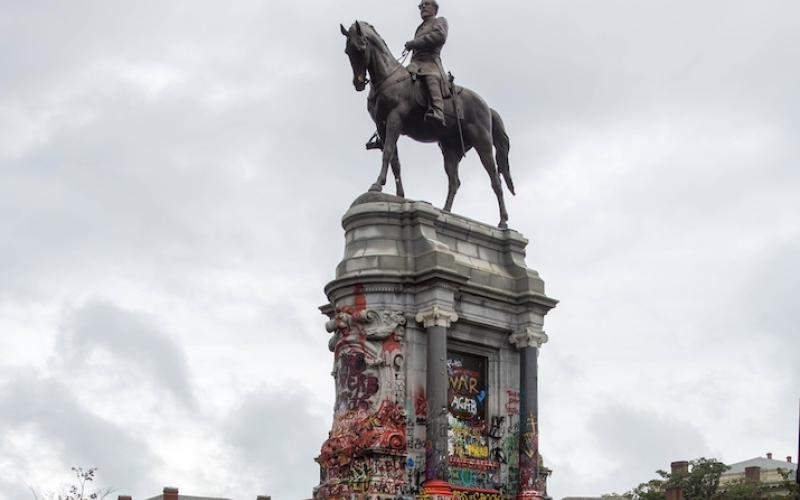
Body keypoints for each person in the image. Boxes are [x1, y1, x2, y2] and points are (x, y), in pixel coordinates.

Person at [404, 0, 451, 125]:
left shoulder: (439, 21)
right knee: (399, 81)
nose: (423, 7)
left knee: (430, 77)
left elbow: (439, 37)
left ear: (435, 9)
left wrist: (414, 43)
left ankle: (438, 110)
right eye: (421, 6)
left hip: (430, 62)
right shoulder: (420, 28)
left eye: (426, 4)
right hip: (415, 63)